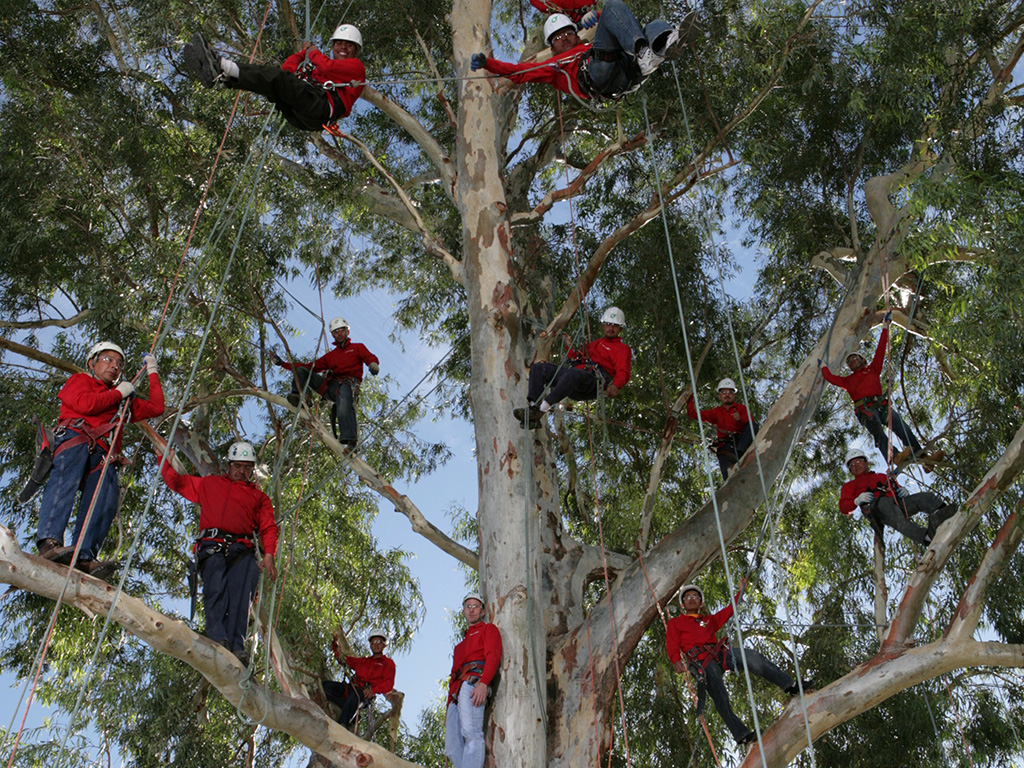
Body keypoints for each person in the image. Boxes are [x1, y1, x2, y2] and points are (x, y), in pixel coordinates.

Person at [35, 342, 164, 578]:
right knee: (64, 482)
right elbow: (87, 405)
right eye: (107, 359)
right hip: (75, 438)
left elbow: (157, 407)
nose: (114, 366)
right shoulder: (81, 381)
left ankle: (84, 557)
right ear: (92, 362)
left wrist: (152, 370)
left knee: (105, 498)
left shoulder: (122, 401)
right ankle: (49, 543)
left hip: (104, 454)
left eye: (119, 363)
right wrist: (118, 393)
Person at [161, 441, 279, 664]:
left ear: (252, 470)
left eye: (247, 468)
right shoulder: (209, 484)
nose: (242, 472)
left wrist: (269, 553)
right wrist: (162, 455)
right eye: (237, 466)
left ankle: (237, 646)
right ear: (229, 465)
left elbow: (268, 527)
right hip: (212, 545)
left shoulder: (259, 498)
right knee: (215, 589)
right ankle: (218, 639)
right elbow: (177, 482)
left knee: (241, 594)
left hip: (242, 550)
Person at [665, 580, 810, 747]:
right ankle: (742, 734)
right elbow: (672, 644)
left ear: (701, 602)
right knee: (720, 696)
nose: (692, 599)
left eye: (695, 596)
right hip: (701, 663)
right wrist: (676, 661)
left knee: (750, 656)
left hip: (719, 654)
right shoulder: (675, 623)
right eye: (688, 597)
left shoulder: (709, 620)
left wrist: (741, 592)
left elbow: (729, 611)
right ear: (683, 604)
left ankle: (790, 685)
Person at [471, 1, 698, 100]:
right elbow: (518, 72)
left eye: (568, 33)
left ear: (575, 32)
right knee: (611, 6)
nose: (564, 38)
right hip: (596, 75)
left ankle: (665, 45)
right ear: (552, 46)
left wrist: (593, 18)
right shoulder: (553, 65)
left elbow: (620, 24)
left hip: (626, 72)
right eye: (558, 37)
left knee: (653, 26)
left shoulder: (586, 44)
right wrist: (487, 63)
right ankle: (646, 55)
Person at [181, 24, 365, 131]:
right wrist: (302, 53)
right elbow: (287, 69)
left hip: (320, 109)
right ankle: (222, 75)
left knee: (278, 80)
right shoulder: (320, 70)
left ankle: (221, 65)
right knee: (274, 84)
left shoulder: (355, 67)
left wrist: (313, 52)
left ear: (356, 50)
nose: (343, 47)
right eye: (339, 43)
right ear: (333, 47)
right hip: (299, 114)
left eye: (349, 45)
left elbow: (326, 65)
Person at [821, 312, 939, 467]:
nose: (851, 361)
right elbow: (831, 378)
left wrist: (885, 326)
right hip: (865, 410)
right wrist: (822, 366)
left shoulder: (873, 369)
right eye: (848, 361)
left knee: (900, 425)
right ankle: (895, 457)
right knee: (879, 434)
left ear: (862, 359)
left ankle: (923, 457)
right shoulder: (847, 381)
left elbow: (881, 348)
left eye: (854, 358)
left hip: (881, 405)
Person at [514, 306, 632, 427]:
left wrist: (615, 385)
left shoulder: (622, 349)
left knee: (572, 374)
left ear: (620, 328)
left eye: (615, 325)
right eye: (608, 324)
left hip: (593, 382)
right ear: (603, 325)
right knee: (539, 368)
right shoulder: (595, 344)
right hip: (573, 378)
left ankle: (542, 410)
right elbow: (576, 358)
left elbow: (623, 372)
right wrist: (569, 345)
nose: (611, 328)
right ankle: (533, 409)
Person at [273, 317, 380, 446]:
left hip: (348, 385)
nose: (339, 333)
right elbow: (310, 367)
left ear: (347, 331)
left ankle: (350, 441)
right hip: (332, 387)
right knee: (301, 370)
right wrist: (283, 364)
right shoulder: (331, 356)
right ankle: (301, 396)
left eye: (342, 330)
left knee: (344, 403)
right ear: (332, 335)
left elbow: (369, 357)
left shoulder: (357, 348)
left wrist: (373, 364)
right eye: (336, 331)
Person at [839, 448, 956, 547]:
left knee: (924, 498)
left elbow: (895, 487)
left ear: (866, 463)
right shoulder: (849, 486)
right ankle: (926, 537)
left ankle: (941, 512)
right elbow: (844, 507)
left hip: (897, 502)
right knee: (899, 521)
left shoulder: (881, 476)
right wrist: (857, 500)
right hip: (877, 508)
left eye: (858, 461)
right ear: (850, 470)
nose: (856, 465)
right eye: (852, 464)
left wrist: (903, 491)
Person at [445, 592, 502, 768]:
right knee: (452, 746)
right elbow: (453, 675)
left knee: (472, 733)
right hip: (456, 692)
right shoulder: (459, 647)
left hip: (474, 684)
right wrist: (448, 706)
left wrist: (484, 683)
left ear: (482, 611)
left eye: (475, 606)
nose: (471, 610)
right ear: (463, 611)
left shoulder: (488, 630)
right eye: (468, 606)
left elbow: (493, 656)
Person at [322, 627, 397, 729]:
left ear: (384, 645)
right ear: (370, 645)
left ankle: (341, 725)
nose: (376, 644)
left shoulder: (388, 663)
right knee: (325, 686)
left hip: (364, 694)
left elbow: (388, 685)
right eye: (373, 642)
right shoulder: (363, 661)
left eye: (379, 641)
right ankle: (351, 711)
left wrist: (373, 690)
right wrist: (335, 644)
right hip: (351, 688)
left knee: (354, 698)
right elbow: (342, 659)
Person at [686, 378, 758, 480]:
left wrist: (740, 419)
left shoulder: (741, 408)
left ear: (734, 395)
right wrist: (690, 397)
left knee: (753, 425)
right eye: (724, 392)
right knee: (728, 479)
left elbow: (751, 426)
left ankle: (739, 453)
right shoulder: (717, 412)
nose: (727, 394)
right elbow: (693, 415)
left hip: (740, 443)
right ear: (720, 396)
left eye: (730, 392)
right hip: (726, 447)